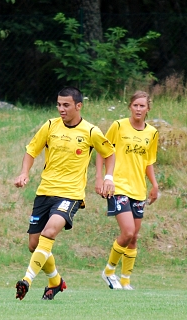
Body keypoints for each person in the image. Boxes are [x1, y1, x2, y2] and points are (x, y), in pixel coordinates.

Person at [14, 86, 116, 300]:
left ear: (79, 106)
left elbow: (109, 153)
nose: (61, 109)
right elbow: (32, 150)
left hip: (70, 194)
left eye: (66, 105)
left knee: (49, 233)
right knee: (34, 245)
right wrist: (24, 173)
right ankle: (56, 281)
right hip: (44, 192)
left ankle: (27, 280)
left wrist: (108, 178)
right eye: (59, 104)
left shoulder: (91, 131)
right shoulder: (50, 126)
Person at [95, 91, 159, 290]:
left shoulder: (152, 133)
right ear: (130, 107)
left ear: (148, 109)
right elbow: (102, 150)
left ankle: (125, 281)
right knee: (128, 231)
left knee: (133, 238)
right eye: (135, 105)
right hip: (118, 187)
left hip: (138, 189)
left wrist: (154, 184)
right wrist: (101, 177)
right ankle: (108, 271)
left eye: (142, 106)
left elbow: (148, 162)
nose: (139, 109)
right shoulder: (118, 126)